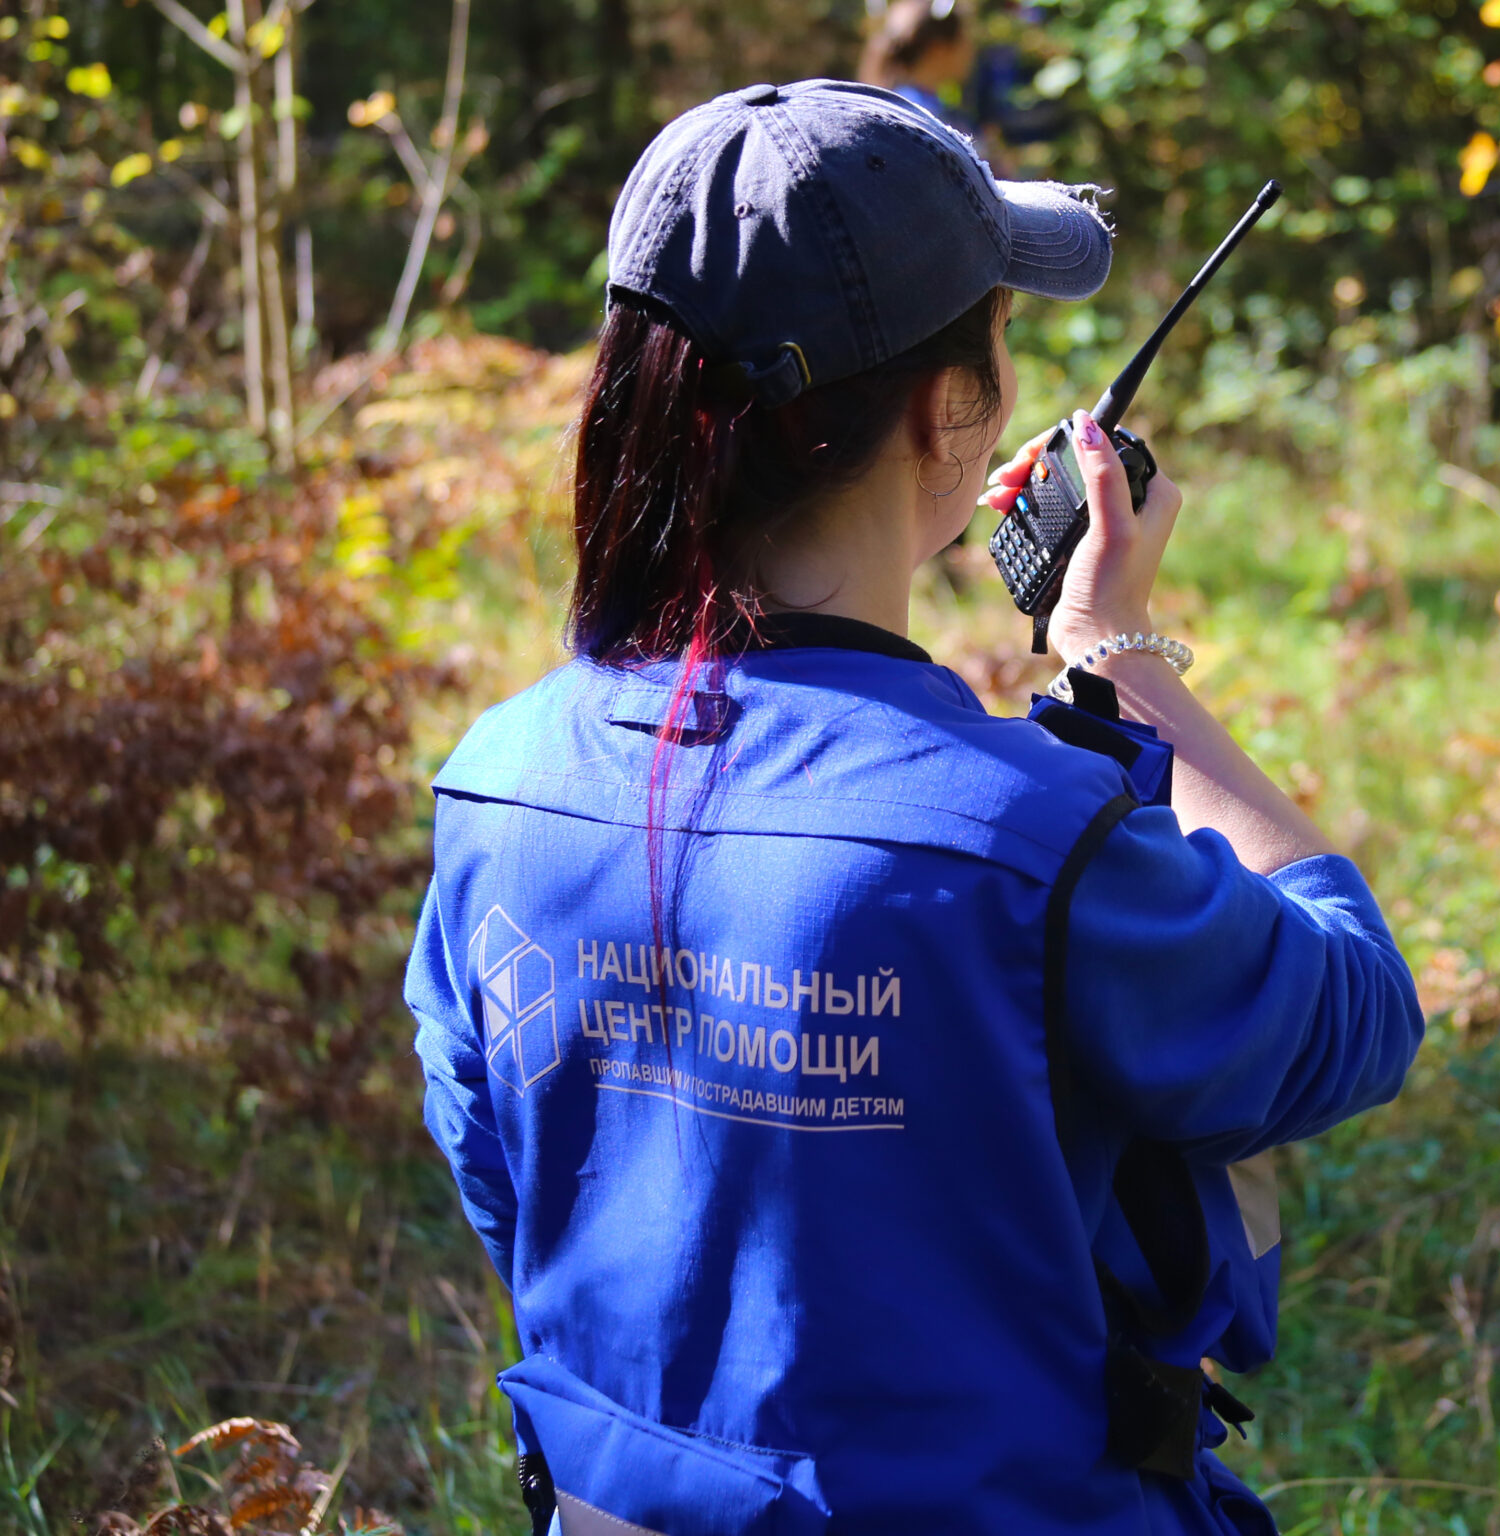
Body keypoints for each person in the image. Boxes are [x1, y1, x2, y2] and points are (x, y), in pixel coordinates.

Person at [403, 79, 1425, 1536]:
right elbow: (1355, 1007)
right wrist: (1122, 658)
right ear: (954, 409)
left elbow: (499, 1176)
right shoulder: (1034, 846)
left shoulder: (496, 776)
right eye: (1002, 330)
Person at [859, 0, 978, 131]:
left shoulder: (901, 103)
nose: (971, 50)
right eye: (965, 40)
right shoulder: (921, 116)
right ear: (939, 49)